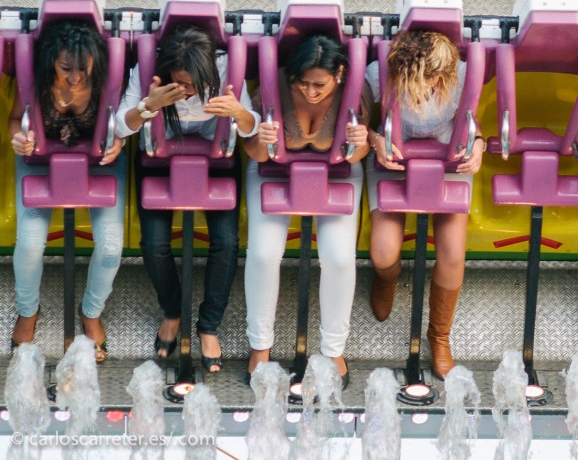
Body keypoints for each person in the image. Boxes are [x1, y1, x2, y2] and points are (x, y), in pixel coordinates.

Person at [116, 24, 259, 373]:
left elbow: (252, 125)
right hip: (159, 157)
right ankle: (172, 311)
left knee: (226, 243)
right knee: (153, 244)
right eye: (180, 83)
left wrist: (237, 112)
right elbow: (121, 125)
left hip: (217, 157)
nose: (188, 91)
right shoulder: (148, 69)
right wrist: (149, 106)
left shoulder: (226, 69)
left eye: (194, 84)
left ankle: (209, 326)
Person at [243, 34, 371, 386]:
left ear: (340, 74)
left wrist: (360, 143)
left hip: (337, 173)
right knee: (264, 254)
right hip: (274, 171)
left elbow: (357, 153)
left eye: (320, 85)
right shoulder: (273, 90)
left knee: (339, 257)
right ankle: (260, 347)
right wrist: (260, 139)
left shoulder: (356, 94)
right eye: (303, 83)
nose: (311, 92)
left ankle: (333, 350)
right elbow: (253, 153)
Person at [366, 30, 483, 380]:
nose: (430, 83)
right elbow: (355, 121)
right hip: (394, 158)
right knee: (384, 253)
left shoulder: (461, 73)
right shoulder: (379, 73)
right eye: (422, 76)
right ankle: (386, 281)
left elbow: (475, 126)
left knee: (452, 254)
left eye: (436, 76)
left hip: (448, 157)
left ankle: (440, 338)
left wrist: (478, 146)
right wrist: (375, 141)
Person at [9, 20, 125, 362]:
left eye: (82, 69)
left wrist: (117, 142)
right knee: (30, 244)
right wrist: (19, 138)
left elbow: (122, 123)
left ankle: (90, 311)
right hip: (40, 158)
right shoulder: (37, 83)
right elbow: (16, 118)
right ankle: (28, 311)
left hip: (98, 160)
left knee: (111, 247)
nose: (74, 78)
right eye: (65, 68)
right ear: (51, 63)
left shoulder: (104, 82)